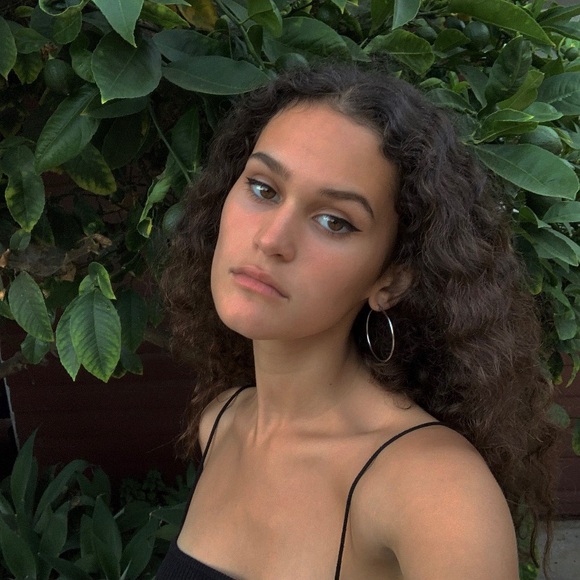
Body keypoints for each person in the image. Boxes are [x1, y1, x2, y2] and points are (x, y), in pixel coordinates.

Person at [158, 64, 559, 579]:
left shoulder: (436, 492)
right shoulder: (221, 423)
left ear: (390, 280)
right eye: (263, 189)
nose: (272, 239)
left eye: (334, 221)